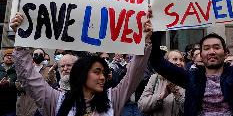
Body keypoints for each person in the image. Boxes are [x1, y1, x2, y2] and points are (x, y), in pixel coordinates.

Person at [10, 12, 153, 116]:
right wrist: (21, 39)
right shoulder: (55, 99)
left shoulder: (113, 98)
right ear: (81, 74)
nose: (103, 77)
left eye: (103, 73)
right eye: (97, 72)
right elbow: (29, 77)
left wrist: (144, 41)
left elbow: (134, 74)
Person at [150, 31, 233, 116]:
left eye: (216, 47)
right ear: (201, 55)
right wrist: (157, 26)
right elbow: (158, 62)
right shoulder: (191, 77)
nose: (211, 51)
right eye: (207, 48)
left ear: (225, 53)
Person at [138, 50, 185, 116]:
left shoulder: (187, 81)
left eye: (181, 60)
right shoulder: (155, 78)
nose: (179, 62)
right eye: (175, 59)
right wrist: (162, 96)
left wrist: (177, 94)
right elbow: (142, 105)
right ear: (166, 62)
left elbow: (190, 109)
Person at [16, 48, 58, 116]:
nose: (38, 56)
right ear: (32, 56)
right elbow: (17, 84)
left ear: (44, 56)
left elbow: (53, 85)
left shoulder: (48, 70)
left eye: (41, 54)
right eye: (36, 54)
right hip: (26, 103)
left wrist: (51, 72)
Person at [0, 48, 17, 116]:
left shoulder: (18, 70)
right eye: (7, 55)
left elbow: (22, 84)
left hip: (12, 105)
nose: (10, 57)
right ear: (3, 57)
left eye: (12, 56)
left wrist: (10, 84)